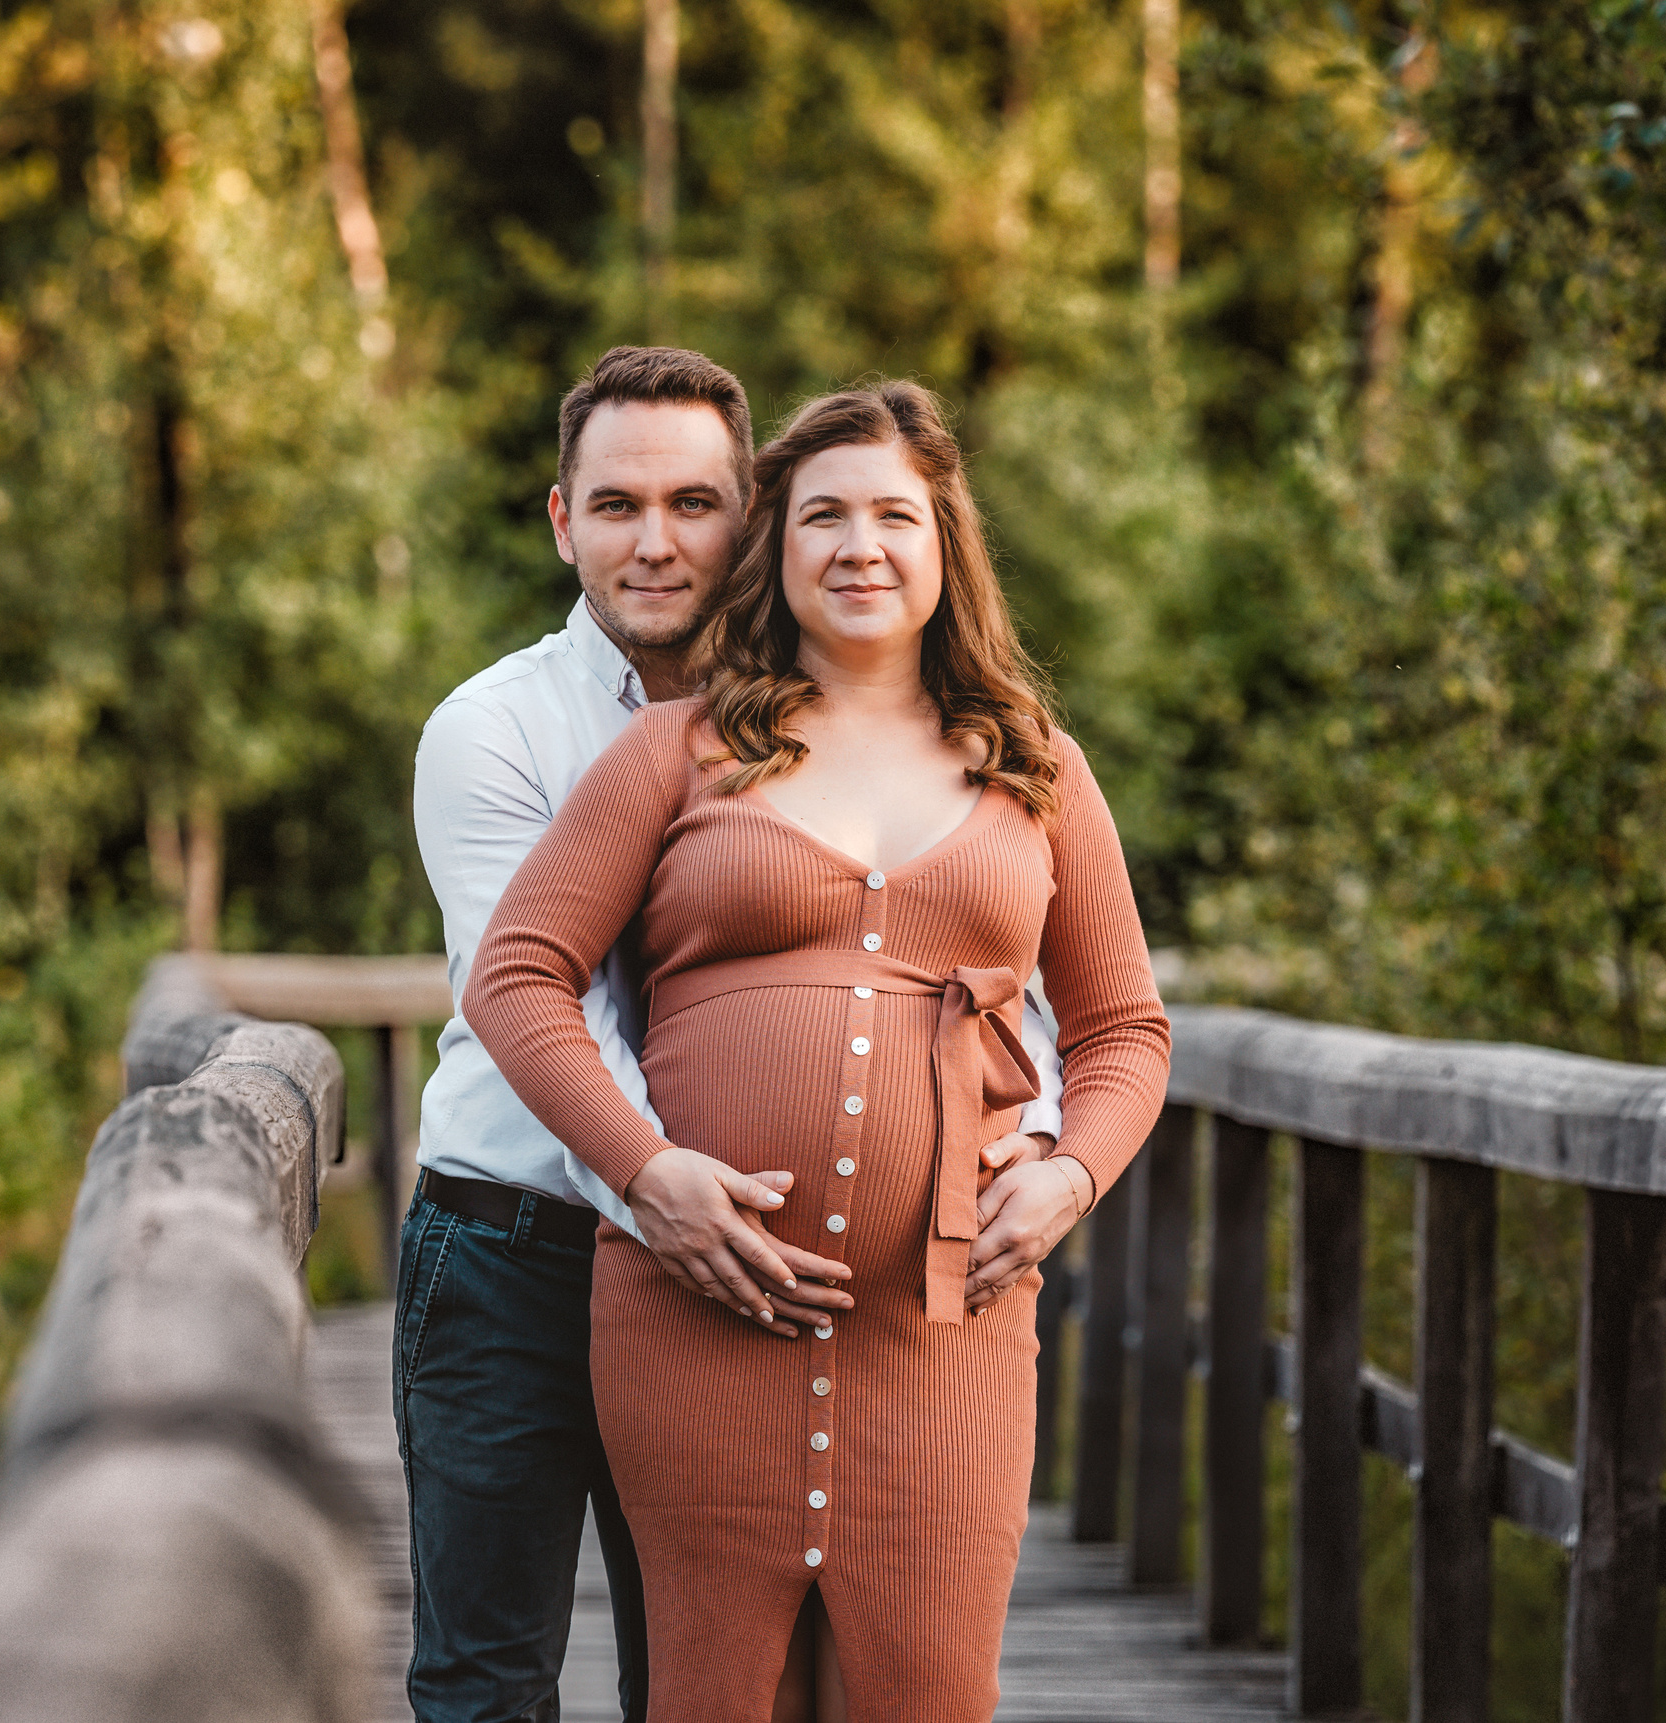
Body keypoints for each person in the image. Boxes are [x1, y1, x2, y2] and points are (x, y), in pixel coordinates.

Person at [462, 380, 1170, 1722]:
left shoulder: (1037, 772)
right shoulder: (677, 753)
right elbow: (518, 973)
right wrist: (644, 1170)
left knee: (929, 1697)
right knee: (717, 1701)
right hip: (699, 1319)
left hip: (946, 1329)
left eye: (895, 515)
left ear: (945, 545)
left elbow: (1125, 1028)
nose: (860, 545)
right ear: (774, 550)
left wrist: (1071, 1176)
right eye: (824, 516)